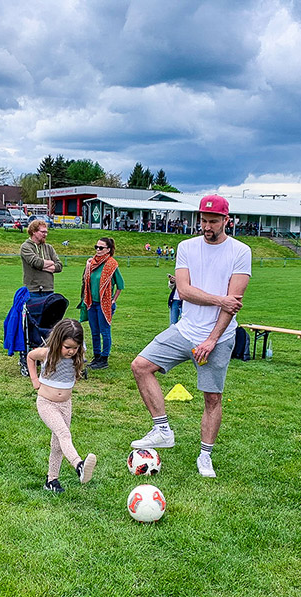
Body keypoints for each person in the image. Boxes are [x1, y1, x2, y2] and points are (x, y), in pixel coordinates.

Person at [130, 195, 250, 478]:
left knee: (212, 398)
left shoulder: (241, 251)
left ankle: (205, 456)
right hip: (185, 330)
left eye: (213, 221)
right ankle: (162, 430)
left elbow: (234, 305)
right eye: (204, 221)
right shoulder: (186, 247)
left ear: (226, 221)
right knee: (140, 366)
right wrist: (221, 299)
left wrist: (211, 340)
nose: (207, 226)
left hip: (218, 338)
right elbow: (183, 291)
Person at [27, 318, 97, 492]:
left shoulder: (78, 353)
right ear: (58, 342)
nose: (72, 351)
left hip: (65, 404)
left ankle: (51, 480)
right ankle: (79, 465)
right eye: (67, 347)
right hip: (46, 403)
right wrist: (34, 379)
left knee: (58, 443)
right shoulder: (48, 353)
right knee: (64, 434)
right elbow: (30, 356)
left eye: (75, 347)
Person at [81, 237, 124, 370]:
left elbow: (120, 285)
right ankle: (97, 356)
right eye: (96, 247)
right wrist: (87, 266)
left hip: (104, 304)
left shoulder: (112, 265)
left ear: (108, 250)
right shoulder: (92, 263)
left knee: (104, 331)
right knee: (94, 331)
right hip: (92, 302)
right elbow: (85, 280)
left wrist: (113, 300)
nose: (98, 250)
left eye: (101, 248)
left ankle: (104, 359)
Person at [20, 219, 63, 297]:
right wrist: (51, 262)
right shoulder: (26, 247)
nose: (45, 234)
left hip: (49, 290)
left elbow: (59, 266)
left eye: (46, 232)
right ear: (33, 231)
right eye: (42, 232)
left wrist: (43, 266)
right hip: (33, 291)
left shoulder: (49, 247)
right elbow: (36, 262)